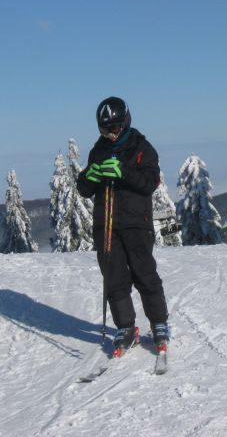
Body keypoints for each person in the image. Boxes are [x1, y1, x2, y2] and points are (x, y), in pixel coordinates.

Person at [77, 96, 169, 357]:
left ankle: (159, 323)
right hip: (105, 226)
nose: (111, 133)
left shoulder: (142, 147)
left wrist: (124, 172)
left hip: (136, 223)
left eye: (115, 127)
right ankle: (126, 327)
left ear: (126, 121)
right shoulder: (98, 150)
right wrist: (88, 177)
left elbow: (150, 182)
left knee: (144, 274)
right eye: (106, 129)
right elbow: (84, 189)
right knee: (114, 279)